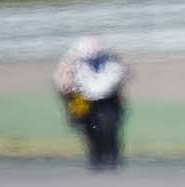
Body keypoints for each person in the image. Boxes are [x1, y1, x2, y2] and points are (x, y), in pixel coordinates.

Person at [53, 36, 129, 170]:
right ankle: (96, 156)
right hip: (81, 98)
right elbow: (62, 84)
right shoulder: (71, 62)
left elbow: (122, 75)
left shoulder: (111, 60)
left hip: (107, 99)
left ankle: (112, 156)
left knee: (109, 128)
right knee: (87, 127)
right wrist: (67, 88)